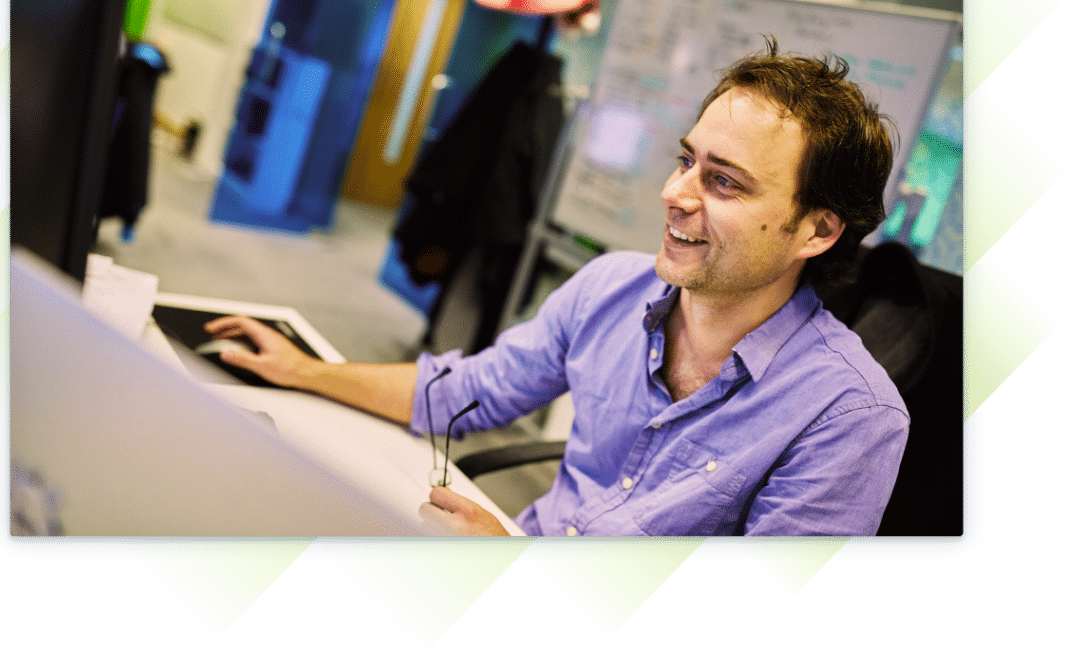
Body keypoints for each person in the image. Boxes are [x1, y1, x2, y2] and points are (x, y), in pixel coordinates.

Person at [205, 37, 909, 537]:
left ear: (816, 232)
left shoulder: (850, 414)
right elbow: (461, 392)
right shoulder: (611, 288)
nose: (674, 193)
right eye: (685, 161)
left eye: (722, 182)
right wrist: (303, 370)